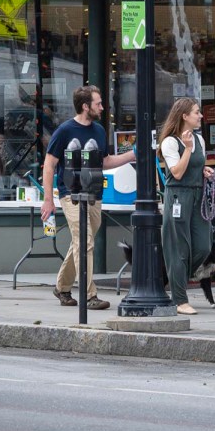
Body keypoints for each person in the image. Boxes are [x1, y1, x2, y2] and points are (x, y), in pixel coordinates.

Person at [40, 85, 135, 310]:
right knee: (85, 240)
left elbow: (104, 161)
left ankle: (62, 288)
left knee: (81, 242)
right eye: (98, 104)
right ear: (85, 106)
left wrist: (132, 155)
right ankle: (89, 295)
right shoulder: (64, 130)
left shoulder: (99, 131)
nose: (102, 107)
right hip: (70, 193)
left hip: (94, 192)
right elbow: (49, 165)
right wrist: (48, 200)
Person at [158, 97, 215, 316]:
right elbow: (178, 173)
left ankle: (176, 278)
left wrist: (203, 171)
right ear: (184, 116)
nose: (200, 116)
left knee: (203, 245)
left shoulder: (199, 140)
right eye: (196, 112)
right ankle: (180, 299)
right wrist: (188, 149)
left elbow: (194, 167)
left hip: (198, 194)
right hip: (178, 197)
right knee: (179, 248)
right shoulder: (171, 142)